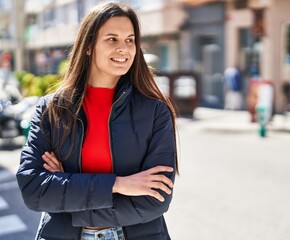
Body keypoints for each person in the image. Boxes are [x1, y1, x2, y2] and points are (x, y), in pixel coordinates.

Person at [16, 2, 178, 240]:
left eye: (130, 40)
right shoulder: (52, 109)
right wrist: (120, 184)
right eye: (112, 39)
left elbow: (155, 200)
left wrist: (68, 188)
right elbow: (33, 190)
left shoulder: (156, 112)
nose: (123, 48)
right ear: (89, 45)